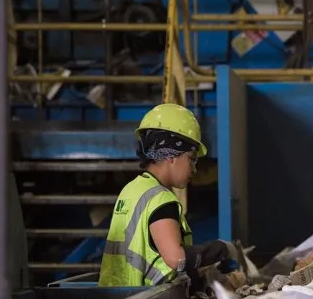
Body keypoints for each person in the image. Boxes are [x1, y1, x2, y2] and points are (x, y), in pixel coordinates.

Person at [99, 103, 241, 288]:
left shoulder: (132, 189)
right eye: (192, 159)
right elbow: (177, 259)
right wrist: (222, 249)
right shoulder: (160, 198)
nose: (195, 168)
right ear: (171, 155)